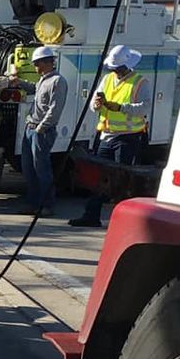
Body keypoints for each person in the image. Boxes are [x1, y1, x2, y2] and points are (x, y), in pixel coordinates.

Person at [69, 44, 149, 228]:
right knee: (99, 178)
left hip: (128, 137)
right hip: (106, 135)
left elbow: (144, 108)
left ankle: (122, 222)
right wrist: (96, 104)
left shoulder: (140, 82)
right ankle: (91, 216)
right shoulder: (107, 79)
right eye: (113, 68)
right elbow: (93, 105)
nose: (115, 71)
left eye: (118, 68)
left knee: (122, 181)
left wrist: (120, 107)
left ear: (128, 66)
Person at [20, 43, 68, 214]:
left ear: (48, 62)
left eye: (38, 63)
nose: (35, 67)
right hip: (30, 128)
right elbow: (34, 89)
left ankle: (46, 205)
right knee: (28, 168)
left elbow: (55, 108)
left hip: (42, 131)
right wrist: (17, 81)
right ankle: (33, 204)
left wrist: (42, 127)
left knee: (41, 168)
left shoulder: (57, 81)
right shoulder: (43, 80)